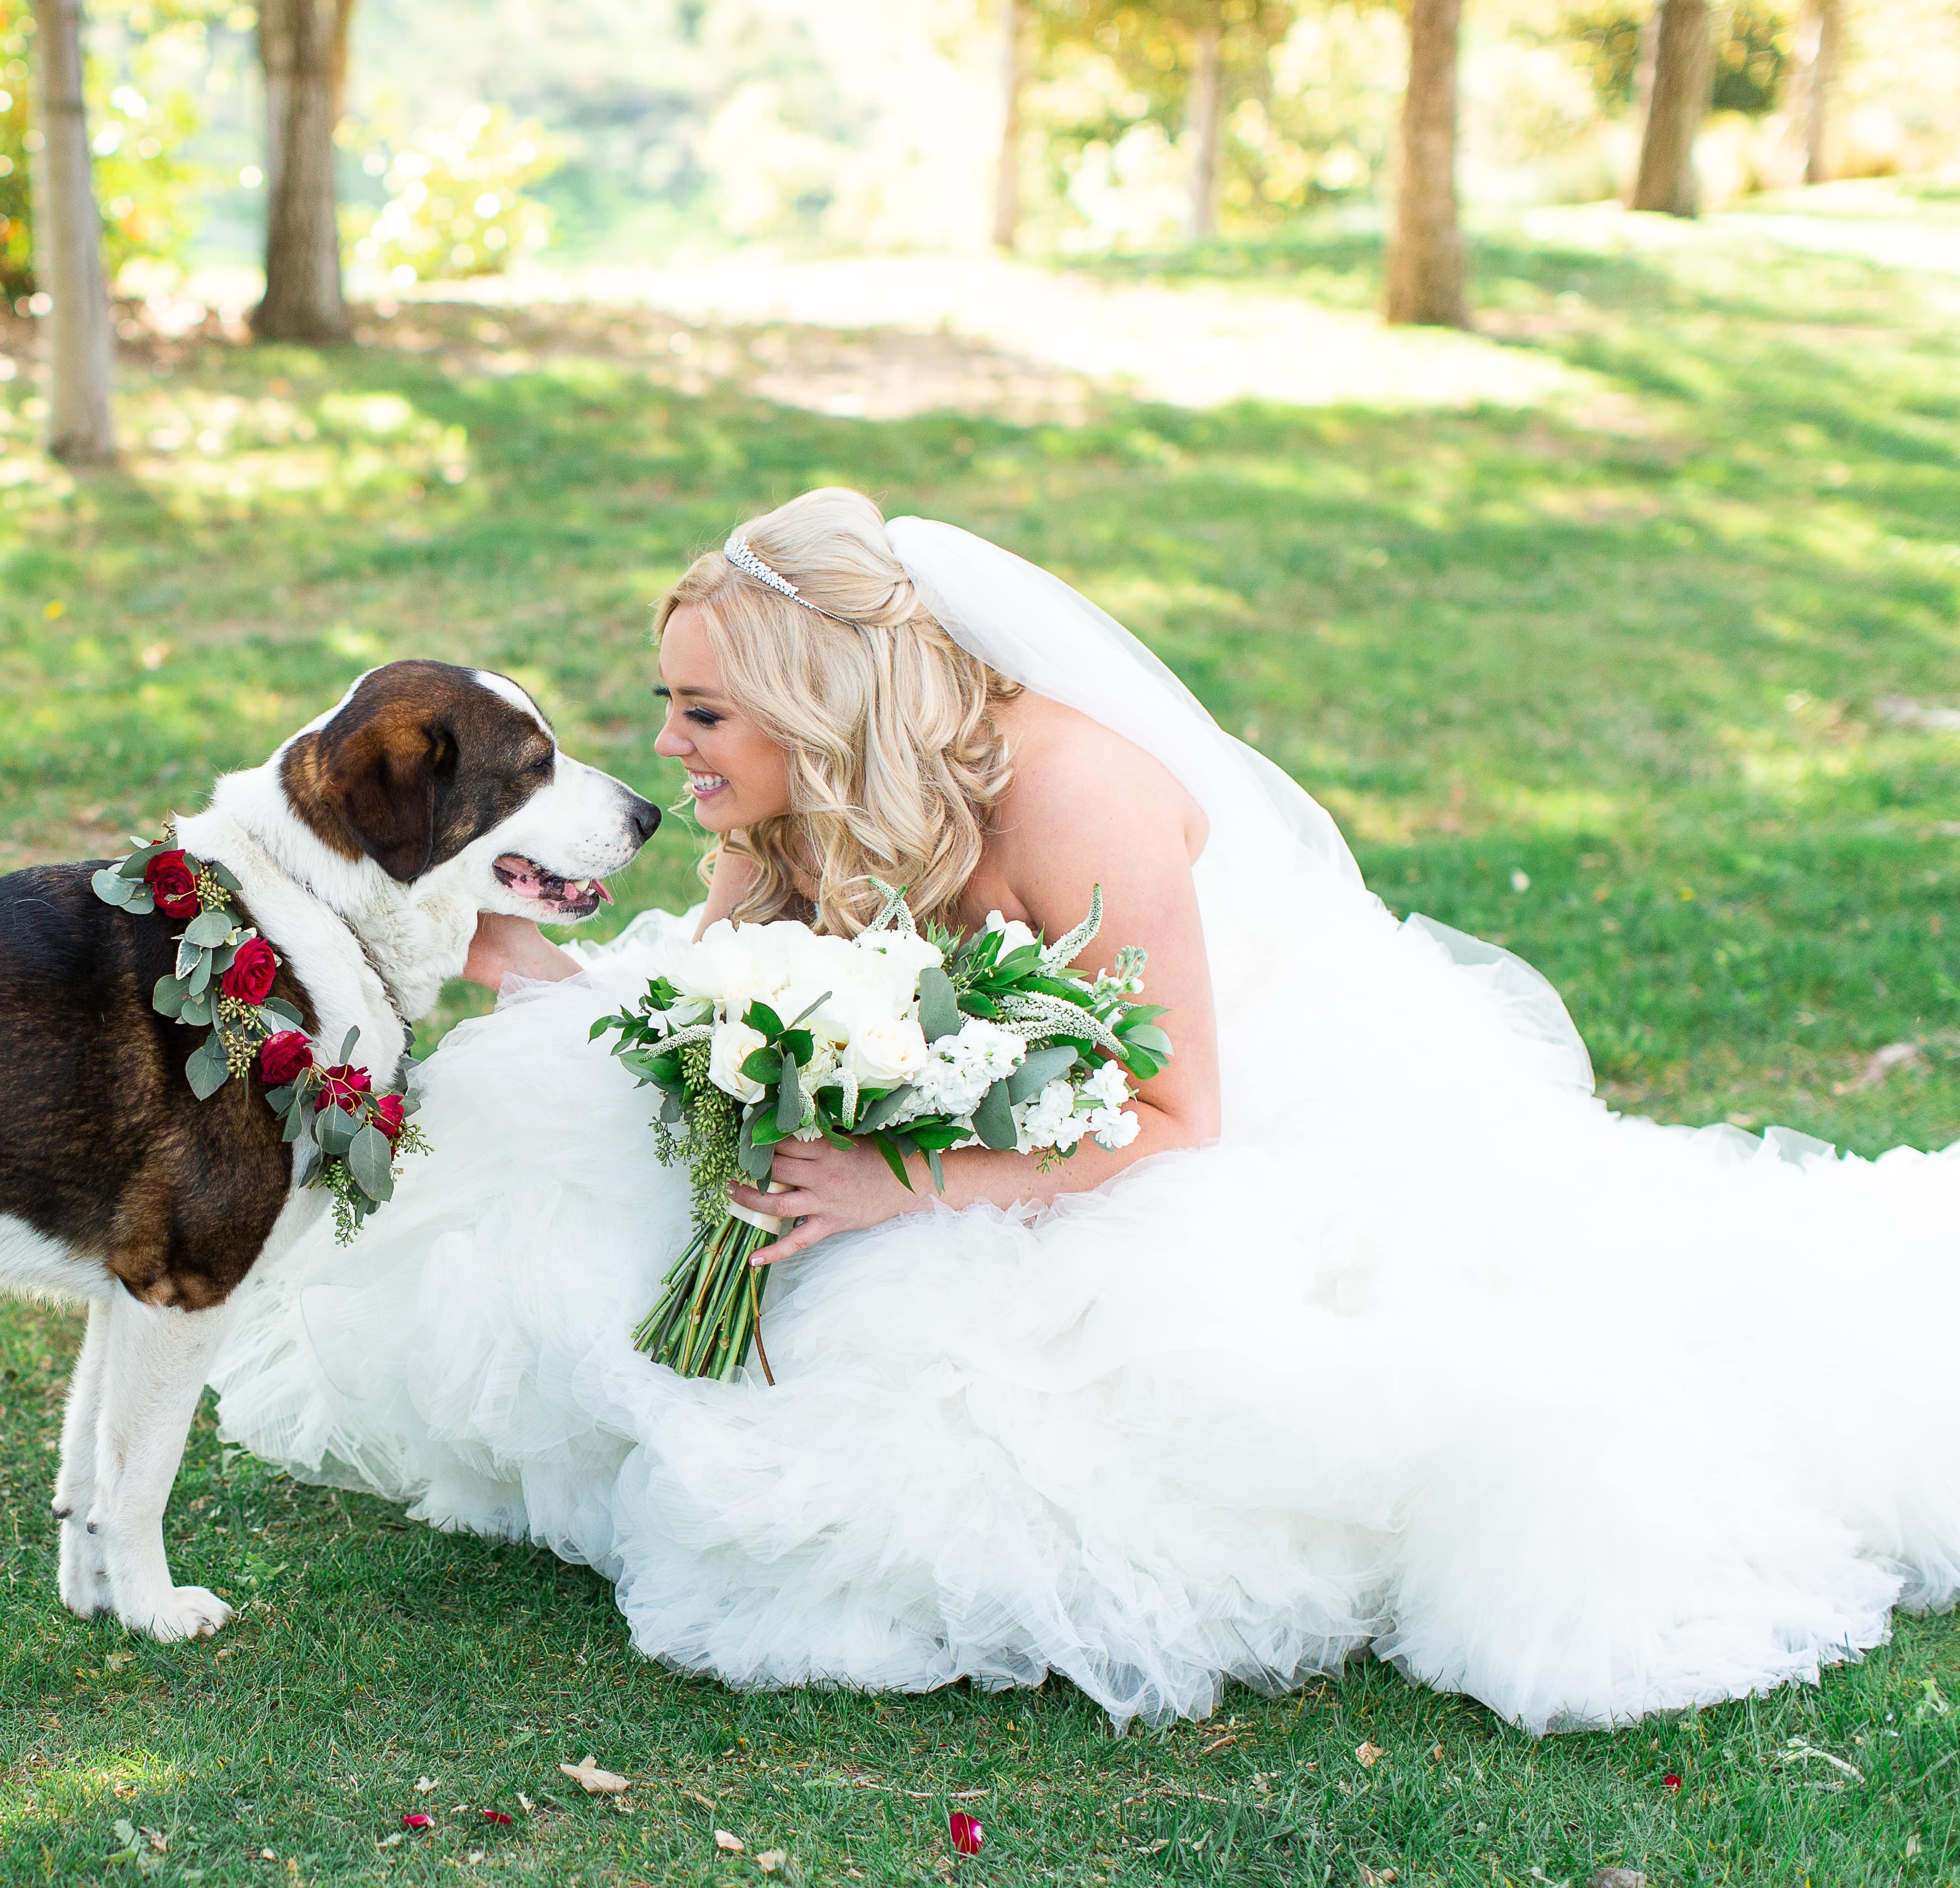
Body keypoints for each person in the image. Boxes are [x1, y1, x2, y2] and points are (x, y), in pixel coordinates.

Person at [206, 486, 1960, 1735]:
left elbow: (1180, 1111)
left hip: (1201, 1121)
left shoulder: (1075, 792)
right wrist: (546, 977)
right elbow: (724, 998)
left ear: (817, 699)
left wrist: (907, 1180)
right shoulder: (793, 791)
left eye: (699, 708)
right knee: (605, 1172)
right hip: (967, 1093)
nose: (667, 742)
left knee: (963, 1391)